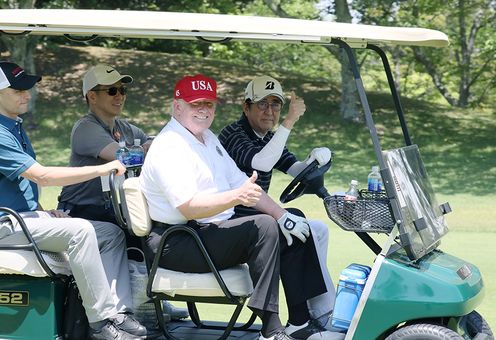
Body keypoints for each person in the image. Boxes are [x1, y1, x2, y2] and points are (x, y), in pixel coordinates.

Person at [140, 74, 340, 340]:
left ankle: (302, 322)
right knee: (264, 226)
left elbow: (244, 183)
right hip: (177, 241)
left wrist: (283, 216)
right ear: (177, 107)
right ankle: (271, 331)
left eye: (209, 104)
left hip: (204, 231)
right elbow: (189, 207)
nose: (203, 110)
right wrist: (238, 197)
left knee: (291, 222)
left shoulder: (207, 139)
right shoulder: (171, 146)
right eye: (195, 104)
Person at [0, 61, 148, 339]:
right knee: (80, 231)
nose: (26, 94)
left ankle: (119, 312)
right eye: (17, 89)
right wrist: (104, 167)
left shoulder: (14, 127)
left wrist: (45, 212)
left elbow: (22, 185)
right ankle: (100, 323)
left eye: (27, 88)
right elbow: (42, 177)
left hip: (21, 218)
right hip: (5, 224)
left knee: (110, 233)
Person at [56, 64, 188, 321]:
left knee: (157, 227)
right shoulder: (85, 128)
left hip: (112, 208)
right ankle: (133, 309)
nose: (120, 96)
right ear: (92, 97)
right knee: (136, 231)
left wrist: (153, 145)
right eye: (112, 90)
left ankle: (151, 301)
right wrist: (150, 148)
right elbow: (124, 157)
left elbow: (155, 144)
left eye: (122, 90)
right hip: (83, 209)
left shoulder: (125, 128)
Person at [219, 75, 335, 329]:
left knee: (318, 230)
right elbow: (260, 162)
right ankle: (300, 321)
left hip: (255, 216)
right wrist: (290, 121)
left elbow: (295, 168)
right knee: (291, 220)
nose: (269, 111)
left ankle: (322, 312)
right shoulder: (233, 134)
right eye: (262, 104)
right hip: (228, 222)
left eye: (276, 105)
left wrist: (316, 159)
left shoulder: (267, 138)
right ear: (246, 106)